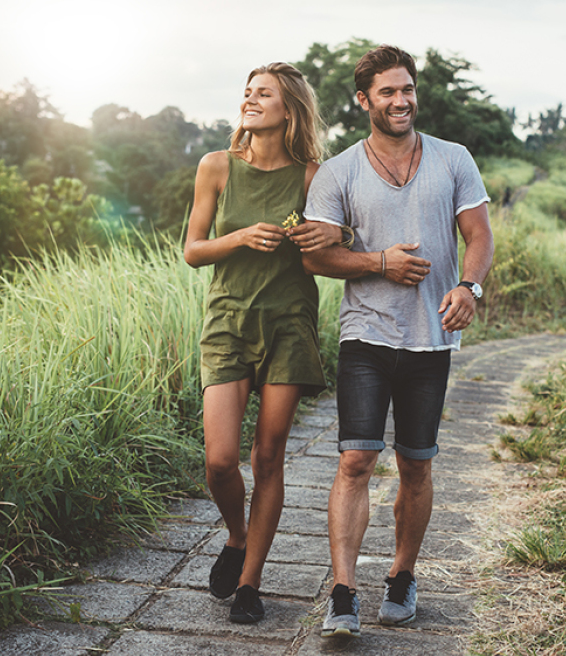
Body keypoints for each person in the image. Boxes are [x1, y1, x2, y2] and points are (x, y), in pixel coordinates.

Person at [301, 44, 494, 638]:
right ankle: (342, 591)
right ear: (364, 100)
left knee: (416, 464)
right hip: (366, 333)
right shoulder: (340, 171)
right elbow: (318, 257)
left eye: (406, 89)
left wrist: (469, 287)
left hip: (431, 338)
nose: (401, 100)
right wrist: (380, 262)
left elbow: (479, 235)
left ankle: (402, 575)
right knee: (356, 458)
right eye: (387, 91)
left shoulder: (453, 158)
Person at [183, 61, 348, 624]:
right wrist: (239, 237)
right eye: (248, 92)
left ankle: (250, 582)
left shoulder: (312, 176)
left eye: (264, 94)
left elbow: (336, 243)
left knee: (268, 456)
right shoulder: (216, 167)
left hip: (289, 324)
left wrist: (337, 232)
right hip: (227, 322)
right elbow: (193, 249)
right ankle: (235, 535)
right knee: (221, 461)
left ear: (289, 109)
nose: (250, 100)